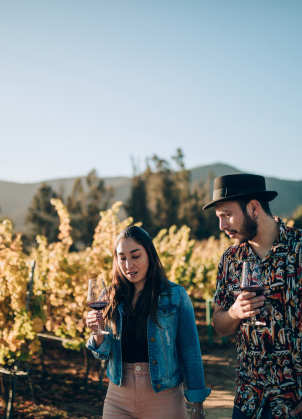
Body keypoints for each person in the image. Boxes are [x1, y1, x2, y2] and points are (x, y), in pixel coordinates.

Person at [203, 173, 302, 419]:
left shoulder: (299, 249)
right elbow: (219, 325)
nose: (222, 226)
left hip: (294, 399)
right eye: (219, 217)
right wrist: (234, 313)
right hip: (249, 399)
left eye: (227, 215)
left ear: (254, 208)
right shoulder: (230, 260)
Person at [86, 225, 210, 419]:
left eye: (136, 256)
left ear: (150, 255)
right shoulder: (109, 296)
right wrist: (97, 332)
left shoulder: (175, 295)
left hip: (165, 399)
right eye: (122, 258)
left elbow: (190, 351)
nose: (128, 265)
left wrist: (197, 405)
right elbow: (102, 355)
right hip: (118, 399)